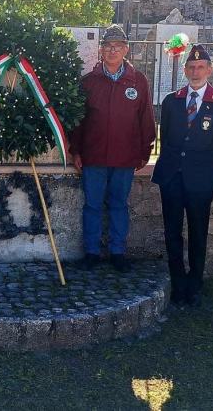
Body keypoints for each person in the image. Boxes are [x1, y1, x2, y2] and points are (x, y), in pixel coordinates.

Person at [68, 24, 156, 273]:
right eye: (108, 46)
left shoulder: (138, 81)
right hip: (93, 156)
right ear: (101, 50)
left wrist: (144, 151)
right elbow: (79, 120)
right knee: (92, 205)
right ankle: (92, 253)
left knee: (119, 205)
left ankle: (118, 252)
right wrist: (76, 150)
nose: (112, 51)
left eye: (117, 46)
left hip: (125, 157)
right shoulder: (89, 82)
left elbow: (146, 118)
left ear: (126, 50)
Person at [151, 45, 213, 308]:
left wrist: (206, 171)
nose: (195, 71)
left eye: (200, 67)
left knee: (199, 233)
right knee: (172, 232)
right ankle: (178, 283)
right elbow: (168, 142)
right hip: (172, 178)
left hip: (200, 182)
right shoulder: (171, 101)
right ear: (185, 70)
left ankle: (195, 284)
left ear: (210, 70)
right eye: (191, 67)